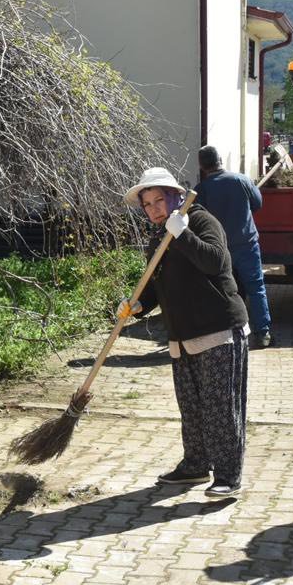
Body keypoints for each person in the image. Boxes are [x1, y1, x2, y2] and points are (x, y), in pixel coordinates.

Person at [117, 167, 251, 499]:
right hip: (181, 337)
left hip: (219, 330)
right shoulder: (158, 237)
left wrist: (183, 234)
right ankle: (195, 465)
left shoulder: (201, 222)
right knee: (191, 408)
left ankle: (228, 475)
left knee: (221, 408)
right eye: (147, 204)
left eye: (158, 200)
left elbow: (216, 263)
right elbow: (155, 284)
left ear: (176, 196)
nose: (154, 209)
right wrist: (137, 306)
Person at [194, 145, 272, 347]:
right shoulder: (241, 180)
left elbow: (197, 218)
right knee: (256, 288)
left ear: (202, 166)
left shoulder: (202, 190)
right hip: (247, 244)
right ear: (220, 159)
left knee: (223, 290)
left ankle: (224, 334)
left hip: (219, 249)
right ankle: (262, 334)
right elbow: (257, 204)